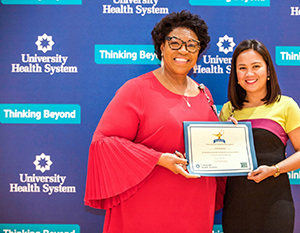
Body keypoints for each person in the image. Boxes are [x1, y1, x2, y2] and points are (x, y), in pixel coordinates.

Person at [84, 10, 218, 233]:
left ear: (199, 51)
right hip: (147, 208)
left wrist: (229, 136)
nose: (183, 50)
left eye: (192, 44)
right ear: (161, 47)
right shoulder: (136, 89)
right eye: (175, 42)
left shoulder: (204, 93)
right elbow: (103, 142)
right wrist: (158, 159)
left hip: (196, 205)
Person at [219, 39, 300, 233]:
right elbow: (220, 159)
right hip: (236, 203)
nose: (249, 73)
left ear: (268, 71)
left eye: (256, 66)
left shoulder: (286, 105)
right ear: (235, 74)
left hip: (275, 202)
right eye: (242, 68)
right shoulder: (228, 110)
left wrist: (273, 170)